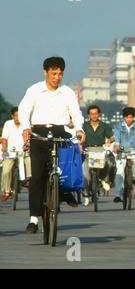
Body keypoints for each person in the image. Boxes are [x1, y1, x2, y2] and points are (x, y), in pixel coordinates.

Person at [18, 56, 86, 234]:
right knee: (37, 177)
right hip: (38, 133)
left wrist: (79, 129)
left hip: (59, 132)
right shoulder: (34, 90)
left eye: (60, 74)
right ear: (45, 72)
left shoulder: (67, 92)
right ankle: (34, 219)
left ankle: (64, 191)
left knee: (69, 162)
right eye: (54, 73)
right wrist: (25, 127)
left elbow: (76, 114)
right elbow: (24, 110)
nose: (57, 77)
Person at [82, 105, 115, 205]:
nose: (94, 116)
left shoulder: (104, 126)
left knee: (109, 163)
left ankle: (104, 179)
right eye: (92, 114)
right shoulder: (85, 126)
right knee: (85, 172)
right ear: (88, 115)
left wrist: (109, 141)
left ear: (99, 114)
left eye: (96, 113)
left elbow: (112, 137)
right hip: (89, 150)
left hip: (101, 149)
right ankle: (86, 195)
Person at [1, 107, 31, 201]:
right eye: (16, 116)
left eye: (19, 115)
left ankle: (29, 180)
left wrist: (27, 146)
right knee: (6, 171)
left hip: (23, 150)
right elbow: (4, 138)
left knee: (29, 162)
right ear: (12, 116)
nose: (18, 118)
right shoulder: (8, 124)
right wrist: (4, 147)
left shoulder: (26, 124)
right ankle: (7, 190)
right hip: (11, 151)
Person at [113, 107, 135, 203]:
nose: (129, 120)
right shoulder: (119, 125)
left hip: (134, 151)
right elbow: (116, 136)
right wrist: (117, 145)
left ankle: (133, 178)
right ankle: (117, 195)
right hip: (122, 151)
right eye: (127, 117)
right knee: (120, 172)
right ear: (124, 117)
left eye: (131, 117)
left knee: (134, 170)